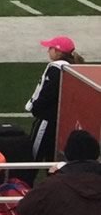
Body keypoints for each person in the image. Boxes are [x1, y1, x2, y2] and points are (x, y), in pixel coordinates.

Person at [29, 36, 82, 172]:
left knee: (34, 157)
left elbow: (47, 93)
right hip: (60, 121)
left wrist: (35, 108)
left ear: (58, 52)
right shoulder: (72, 68)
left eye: (51, 48)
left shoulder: (55, 69)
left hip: (47, 120)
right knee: (53, 158)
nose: (48, 50)